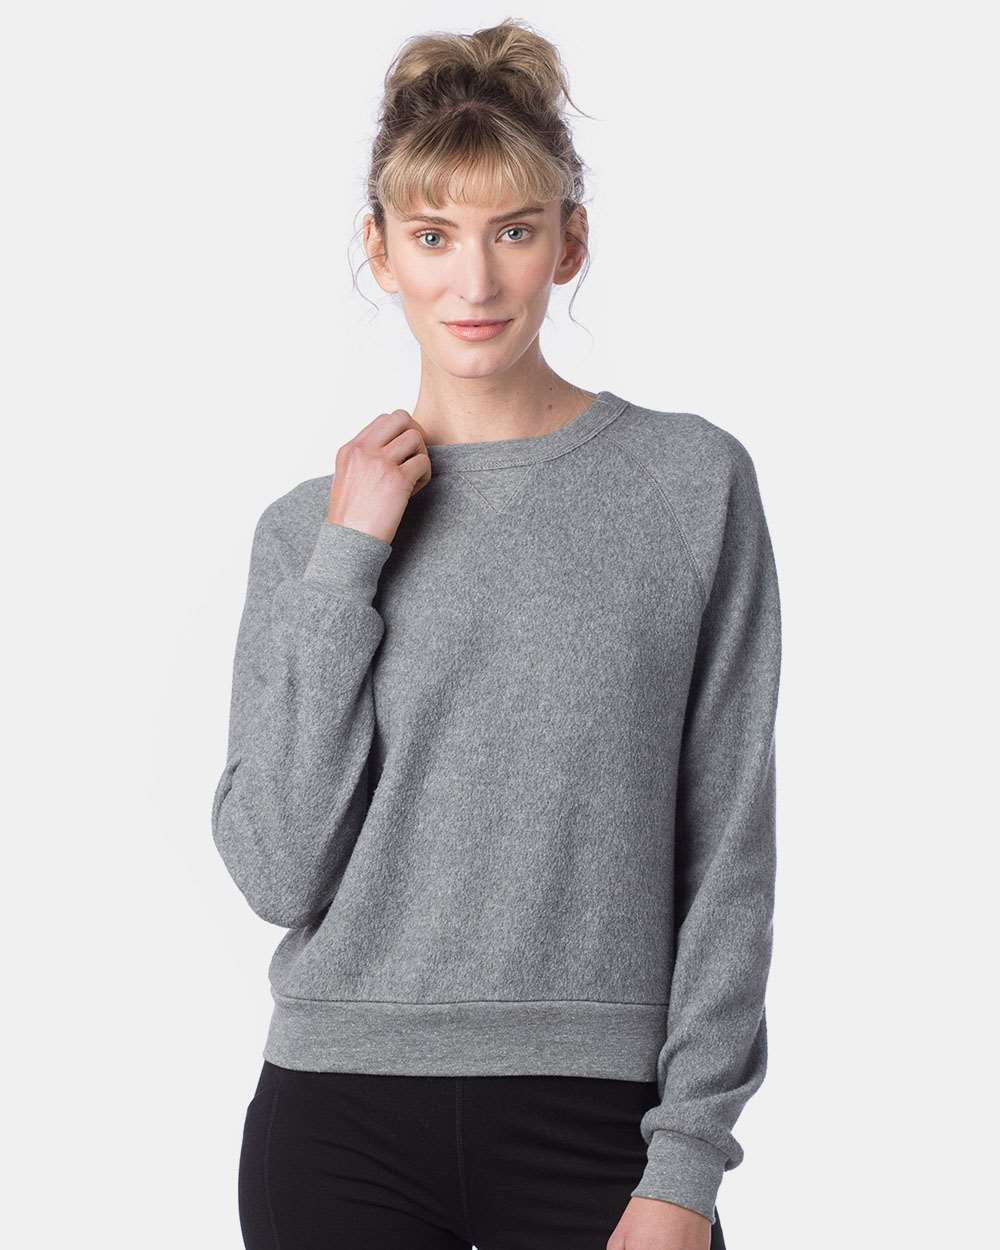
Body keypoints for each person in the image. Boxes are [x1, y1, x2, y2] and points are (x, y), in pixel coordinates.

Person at [211, 19, 781, 1250]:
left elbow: (728, 843)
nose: (473, 283)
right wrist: (349, 558)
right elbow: (275, 867)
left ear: (569, 242)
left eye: (512, 231)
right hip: (338, 1120)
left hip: (601, 1122)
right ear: (379, 248)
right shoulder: (306, 531)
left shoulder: (688, 485)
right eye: (432, 235)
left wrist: (686, 1163)